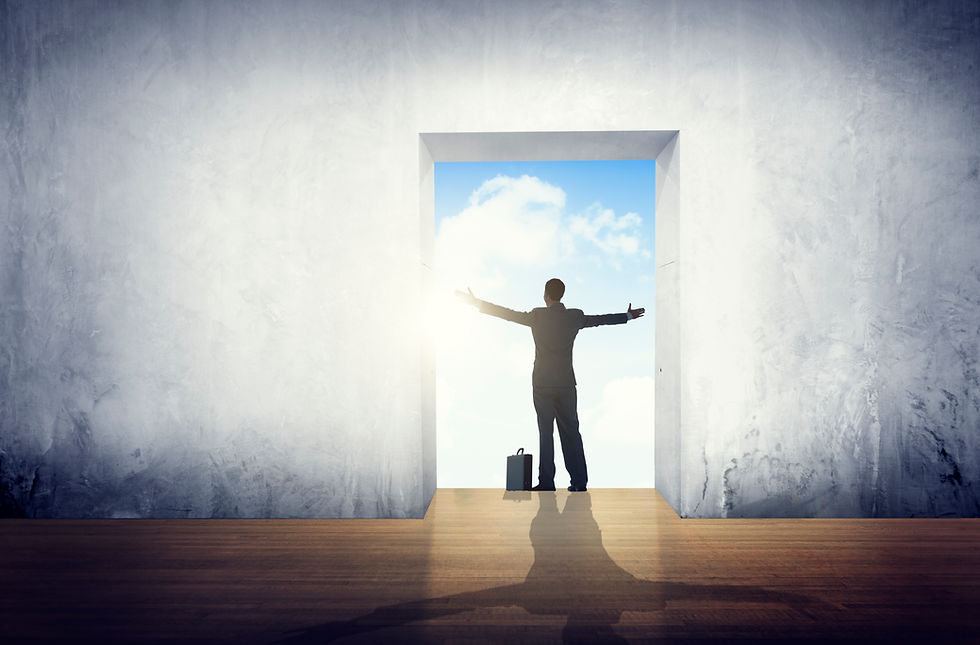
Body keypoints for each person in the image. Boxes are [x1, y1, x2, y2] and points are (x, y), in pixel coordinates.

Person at [456, 278, 644, 492]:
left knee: (546, 434)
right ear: (561, 295)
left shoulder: (537, 315)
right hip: (565, 384)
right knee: (571, 432)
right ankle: (579, 482)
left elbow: (507, 314)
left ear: (546, 294)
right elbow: (600, 320)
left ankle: (546, 482)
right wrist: (627, 316)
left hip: (543, 383)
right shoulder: (575, 316)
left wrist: (476, 303)